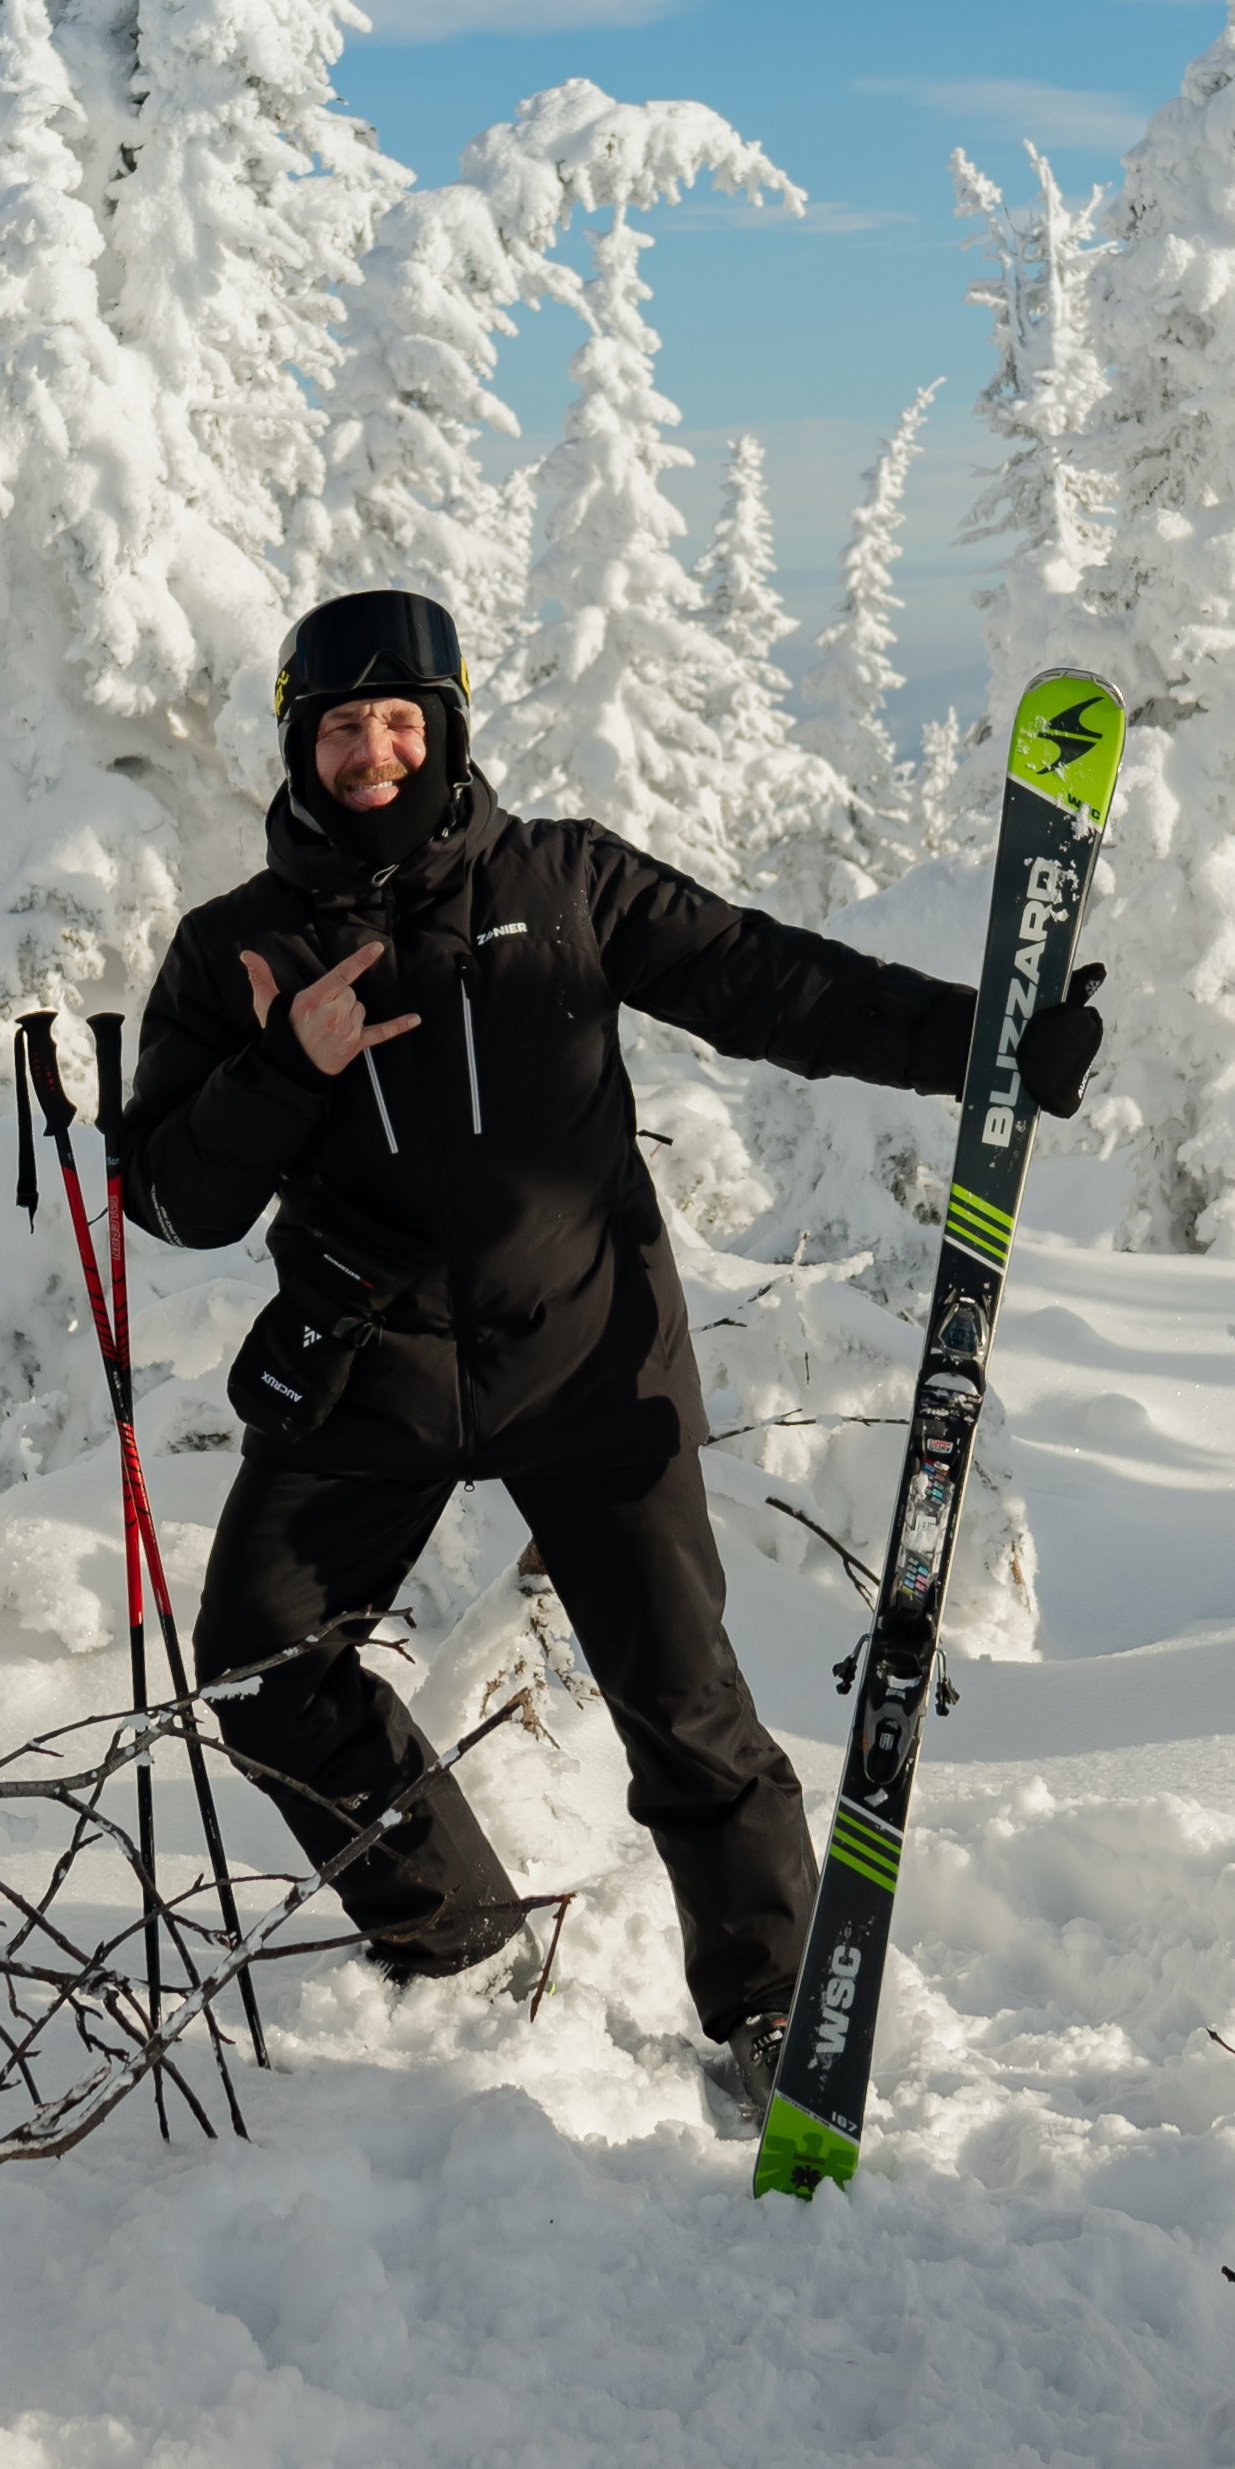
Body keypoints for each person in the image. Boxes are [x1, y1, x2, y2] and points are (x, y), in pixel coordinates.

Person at [108, 588, 1099, 2113]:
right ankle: (454, 1939)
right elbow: (177, 1203)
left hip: (585, 1359)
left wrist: (987, 1045)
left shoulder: (562, 879)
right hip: (366, 1369)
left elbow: (770, 984)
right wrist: (281, 1064)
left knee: (682, 1701)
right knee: (261, 1666)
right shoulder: (235, 946)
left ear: (445, 729)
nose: (373, 752)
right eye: (342, 725)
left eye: (400, 720)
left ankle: (768, 2006)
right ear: (299, 743)